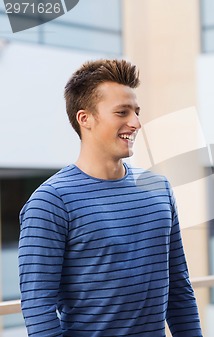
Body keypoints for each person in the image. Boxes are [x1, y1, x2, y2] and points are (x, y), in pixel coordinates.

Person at [18, 59, 203, 337]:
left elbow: (178, 287)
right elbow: (38, 308)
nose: (136, 123)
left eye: (137, 112)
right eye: (122, 112)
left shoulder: (159, 188)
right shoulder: (50, 202)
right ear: (85, 119)